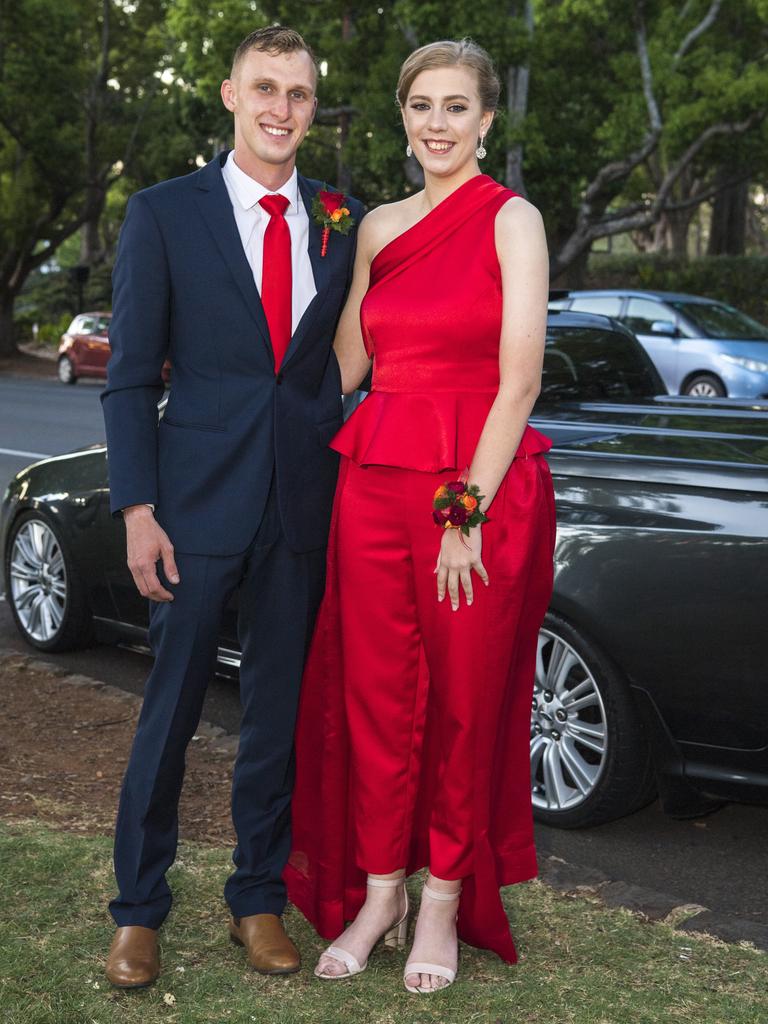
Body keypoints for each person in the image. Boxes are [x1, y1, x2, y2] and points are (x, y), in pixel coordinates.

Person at [284, 38, 556, 994]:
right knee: (376, 697)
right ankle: (380, 892)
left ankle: (443, 896)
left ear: (487, 121)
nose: (436, 124)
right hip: (375, 484)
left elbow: (518, 382)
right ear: (403, 118)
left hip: (472, 490)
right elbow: (348, 365)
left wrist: (464, 514)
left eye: (455, 107)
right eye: (421, 106)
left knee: (461, 698)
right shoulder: (376, 226)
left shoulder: (511, 220)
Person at [100, 26, 363, 988]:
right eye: (264, 88)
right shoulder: (163, 213)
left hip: (301, 509)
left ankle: (257, 898)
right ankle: (138, 910)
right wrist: (138, 509)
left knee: (278, 720)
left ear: (312, 105)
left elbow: (351, 359)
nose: (280, 108)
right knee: (167, 715)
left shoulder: (342, 219)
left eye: (298, 93)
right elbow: (128, 381)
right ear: (228, 95)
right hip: (193, 510)